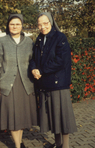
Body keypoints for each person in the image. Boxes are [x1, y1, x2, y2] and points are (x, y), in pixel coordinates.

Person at [29, 12, 77, 148]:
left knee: (62, 117)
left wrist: (41, 70)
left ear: (51, 22)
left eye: (45, 23)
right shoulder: (39, 39)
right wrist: (34, 69)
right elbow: (33, 59)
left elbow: (61, 61)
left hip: (58, 84)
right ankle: (57, 144)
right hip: (45, 84)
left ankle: (65, 146)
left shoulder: (60, 37)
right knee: (53, 116)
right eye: (39, 24)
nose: (42, 27)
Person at [0, 14, 37, 148]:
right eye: (12, 24)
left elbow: (34, 61)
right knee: (12, 116)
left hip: (25, 84)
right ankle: (18, 145)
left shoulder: (29, 42)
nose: (15, 26)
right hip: (8, 85)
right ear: (8, 26)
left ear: (22, 25)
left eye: (17, 24)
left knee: (21, 116)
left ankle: (19, 141)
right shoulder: (1, 42)